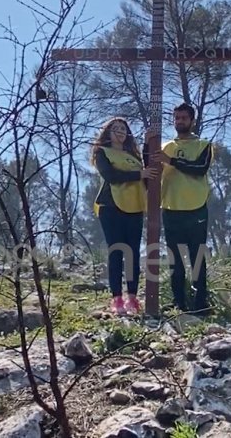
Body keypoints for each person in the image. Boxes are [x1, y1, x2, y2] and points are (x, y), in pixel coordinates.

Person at [150, 103, 214, 314]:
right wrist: (147, 148)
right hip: (171, 208)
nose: (179, 122)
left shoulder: (203, 145)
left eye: (183, 118)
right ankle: (179, 302)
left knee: (197, 257)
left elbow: (199, 169)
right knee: (175, 259)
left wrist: (172, 161)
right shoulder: (166, 146)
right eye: (176, 118)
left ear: (191, 120)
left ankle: (201, 303)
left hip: (196, 208)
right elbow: (152, 170)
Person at [91, 117, 158, 315]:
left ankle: (132, 298)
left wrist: (147, 144)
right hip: (111, 206)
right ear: (108, 133)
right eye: (115, 128)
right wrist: (139, 175)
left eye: (123, 128)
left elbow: (147, 171)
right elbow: (111, 176)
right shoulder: (102, 153)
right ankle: (117, 299)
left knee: (133, 253)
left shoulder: (133, 157)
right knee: (116, 251)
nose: (120, 131)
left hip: (135, 206)